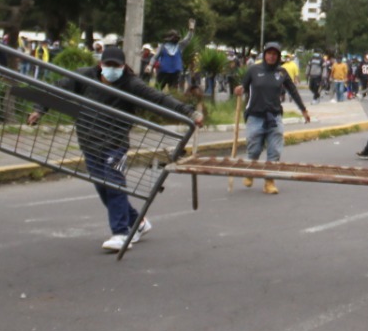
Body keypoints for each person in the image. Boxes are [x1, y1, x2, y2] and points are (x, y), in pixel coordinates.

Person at [28, 46, 203, 252]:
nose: (111, 70)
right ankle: (138, 222)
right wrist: (39, 110)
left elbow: (159, 98)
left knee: (114, 183)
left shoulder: (130, 83)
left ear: (123, 66)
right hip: (89, 142)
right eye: (108, 65)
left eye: (116, 66)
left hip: (116, 145)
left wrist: (189, 113)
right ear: (100, 64)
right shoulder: (85, 77)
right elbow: (56, 88)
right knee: (102, 187)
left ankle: (121, 232)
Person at [234, 41, 311, 194]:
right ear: (264, 54)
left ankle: (269, 182)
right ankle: (250, 171)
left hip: (274, 117)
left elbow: (293, 91)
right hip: (255, 116)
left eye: (275, 54)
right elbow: (243, 86)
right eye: (269, 53)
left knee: (274, 151)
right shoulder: (253, 70)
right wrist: (239, 89)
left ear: (278, 57)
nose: (271, 56)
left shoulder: (282, 72)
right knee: (254, 150)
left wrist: (303, 110)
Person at [155, 20, 194, 91]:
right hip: (163, 72)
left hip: (175, 73)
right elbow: (155, 57)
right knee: (157, 90)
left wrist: (191, 30)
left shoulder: (179, 46)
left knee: (173, 91)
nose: (174, 39)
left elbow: (187, 39)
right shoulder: (162, 47)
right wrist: (149, 65)